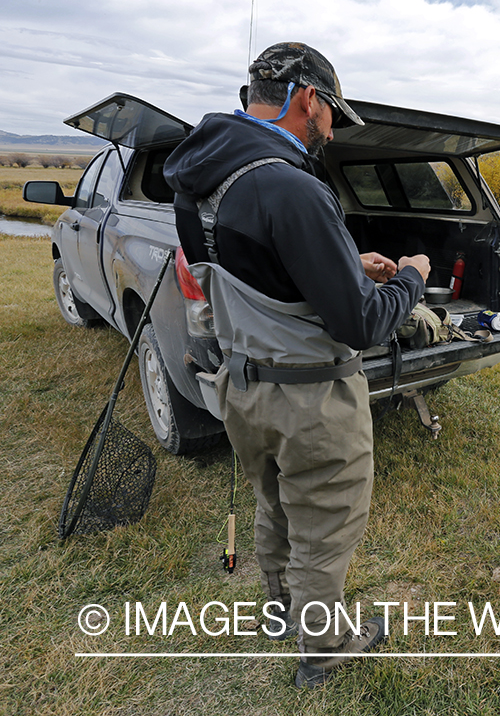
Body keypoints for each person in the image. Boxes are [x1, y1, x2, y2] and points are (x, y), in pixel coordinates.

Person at [164, 42, 431, 687]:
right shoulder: (291, 185)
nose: (331, 128)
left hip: (241, 386)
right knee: (324, 519)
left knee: (274, 500)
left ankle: (282, 608)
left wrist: (346, 266)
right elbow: (362, 324)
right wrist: (412, 281)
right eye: (331, 111)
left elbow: (258, 270)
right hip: (308, 396)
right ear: (307, 98)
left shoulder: (200, 179)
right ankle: (326, 643)